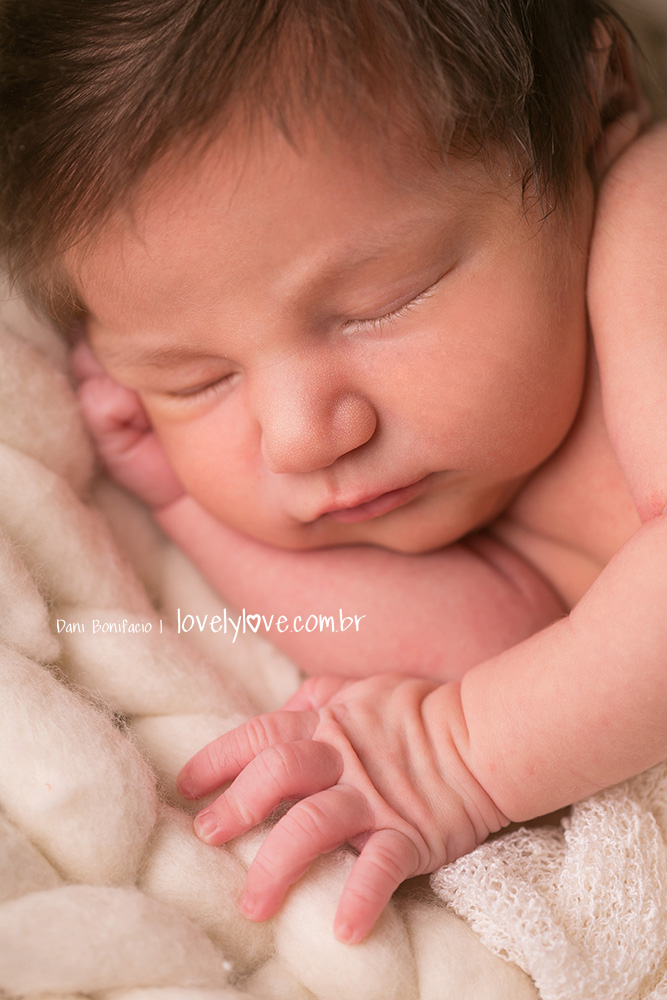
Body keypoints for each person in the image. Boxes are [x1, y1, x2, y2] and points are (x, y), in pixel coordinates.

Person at [1, 0, 666, 946]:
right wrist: (183, 502)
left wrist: (460, 755)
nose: (299, 439)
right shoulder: (466, 490)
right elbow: (499, 655)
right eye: (197, 380)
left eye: (377, 303)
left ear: (594, 106)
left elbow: (492, 713)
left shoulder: (647, 211)